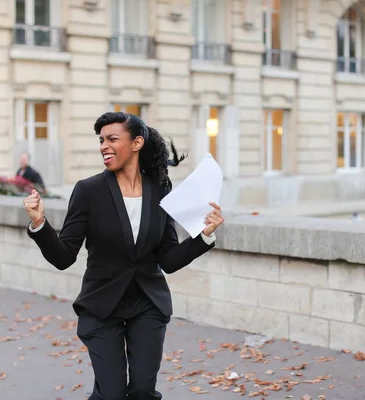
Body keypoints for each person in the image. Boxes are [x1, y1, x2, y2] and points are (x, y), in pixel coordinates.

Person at [22, 112, 224, 400]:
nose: (104, 145)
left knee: (142, 389)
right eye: (101, 140)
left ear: (137, 143)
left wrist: (204, 236)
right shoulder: (88, 190)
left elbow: (167, 259)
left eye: (112, 138)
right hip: (102, 306)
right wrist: (40, 224)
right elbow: (64, 256)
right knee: (112, 393)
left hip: (147, 303)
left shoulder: (159, 189)